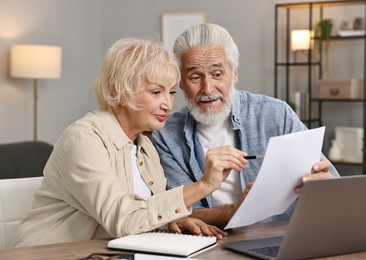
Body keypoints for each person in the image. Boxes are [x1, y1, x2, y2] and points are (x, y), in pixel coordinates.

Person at [11, 38, 245, 247]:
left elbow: (145, 210)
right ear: (119, 90)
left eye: (171, 92)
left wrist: (176, 221)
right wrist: (203, 185)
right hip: (47, 254)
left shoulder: (145, 147)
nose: (167, 104)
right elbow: (122, 219)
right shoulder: (84, 139)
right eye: (156, 92)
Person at [152, 23, 340, 228]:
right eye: (195, 77)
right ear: (180, 83)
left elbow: (332, 184)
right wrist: (235, 211)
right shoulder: (166, 134)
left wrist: (325, 185)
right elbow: (183, 214)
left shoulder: (276, 114)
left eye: (217, 74)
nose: (207, 88)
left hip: (280, 236)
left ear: (234, 74)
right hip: (213, 242)